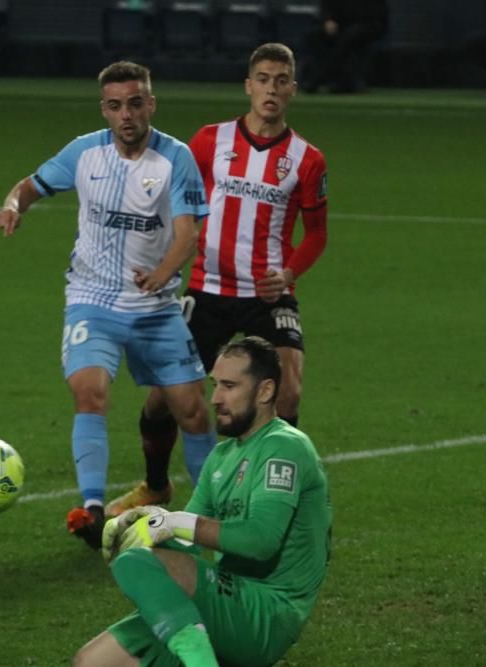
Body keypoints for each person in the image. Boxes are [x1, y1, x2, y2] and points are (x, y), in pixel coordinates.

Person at [0, 61, 217, 550]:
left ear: (150, 105)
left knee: (193, 411)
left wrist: (161, 274)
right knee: (89, 391)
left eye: (135, 104)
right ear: (104, 109)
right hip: (91, 298)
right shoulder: (84, 152)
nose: (126, 115)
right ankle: (92, 511)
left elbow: (187, 234)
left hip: (155, 306)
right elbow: (30, 185)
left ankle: (213, 511)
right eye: (116, 106)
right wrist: (13, 205)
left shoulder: (175, 158)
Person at [107, 43, 328, 518]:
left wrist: (289, 273)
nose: (271, 89)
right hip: (207, 290)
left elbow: (317, 234)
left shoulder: (307, 159)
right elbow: (175, 204)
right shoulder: (210, 142)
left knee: (288, 389)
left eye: (281, 80)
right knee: (163, 398)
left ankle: (282, 498)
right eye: (263, 79)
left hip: (268, 294)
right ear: (248, 86)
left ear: (292, 88)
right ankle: (155, 486)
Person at [75, 336, 332, 667]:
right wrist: (144, 525)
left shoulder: (284, 447)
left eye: (229, 386)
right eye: (215, 385)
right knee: (92, 662)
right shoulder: (222, 456)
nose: (215, 398)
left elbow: (261, 541)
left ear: (265, 391)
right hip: (225, 601)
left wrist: (172, 524)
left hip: (268, 612)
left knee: (137, 563)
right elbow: (189, 543)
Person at [300, 0, 387, 94]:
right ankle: (340, 81)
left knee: (349, 37)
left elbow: (376, 13)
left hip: (369, 24)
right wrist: (328, 20)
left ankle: (320, 79)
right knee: (314, 36)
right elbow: (327, 7)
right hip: (341, 24)